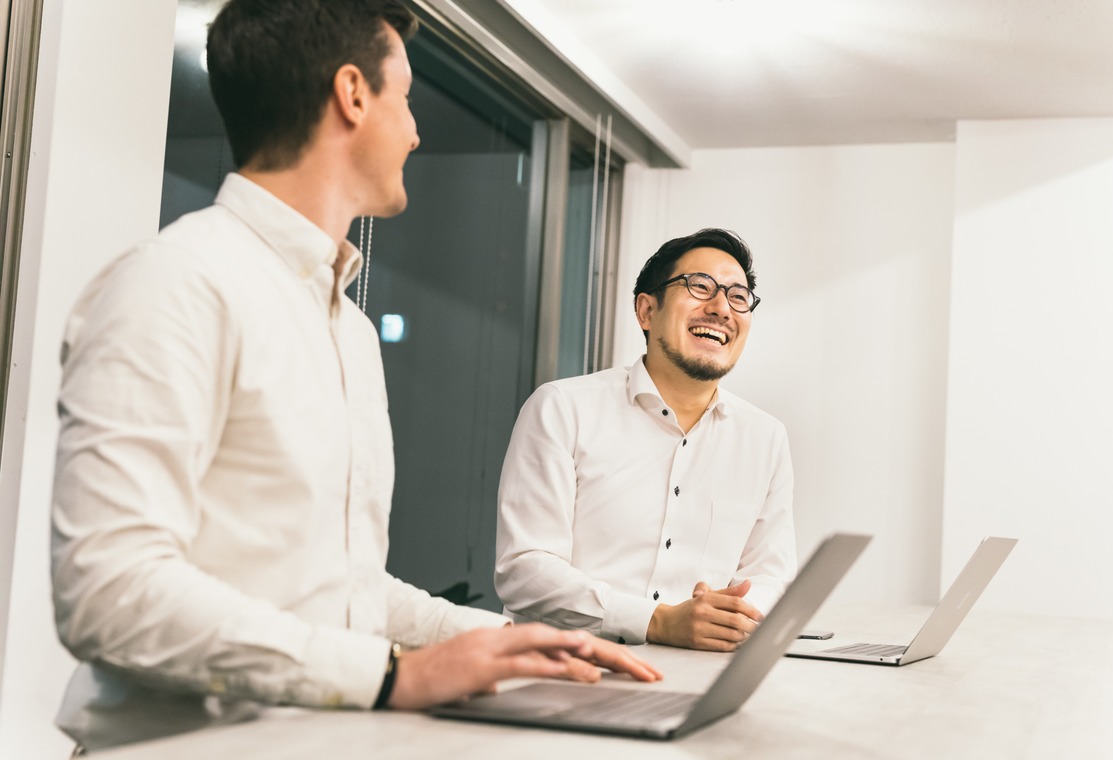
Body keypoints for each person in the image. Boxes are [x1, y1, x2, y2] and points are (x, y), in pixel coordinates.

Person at [50, 0, 658, 751]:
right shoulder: (172, 285)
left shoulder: (350, 327)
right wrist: (391, 675)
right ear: (353, 93)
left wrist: (512, 640)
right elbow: (106, 594)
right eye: (405, 98)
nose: (415, 129)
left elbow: (342, 589)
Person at [495, 228, 796, 652]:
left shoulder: (765, 438)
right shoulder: (562, 408)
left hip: (701, 675)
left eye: (738, 297)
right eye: (700, 287)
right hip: (568, 674)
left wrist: (733, 617)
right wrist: (655, 622)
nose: (721, 308)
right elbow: (524, 570)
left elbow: (770, 575)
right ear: (646, 311)